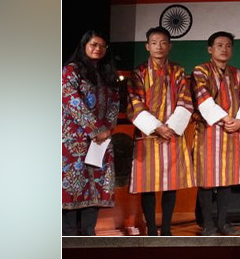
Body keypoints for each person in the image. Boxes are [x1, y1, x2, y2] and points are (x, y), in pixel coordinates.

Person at [127, 27, 195, 236]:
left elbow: (185, 100)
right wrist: (157, 126)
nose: (159, 46)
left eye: (163, 42)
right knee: (148, 184)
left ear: (170, 46)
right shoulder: (138, 72)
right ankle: (150, 228)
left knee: (170, 182)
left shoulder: (178, 71)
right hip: (147, 134)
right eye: (154, 42)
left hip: (172, 133)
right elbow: (134, 102)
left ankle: (166, 227)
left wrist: (171, 127)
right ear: (147, 46)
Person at [192, 31, 240, 236]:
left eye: (228, 45)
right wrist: (227, 119)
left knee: (227, 178)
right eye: (219, 45)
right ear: (210, 49)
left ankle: (223, 222)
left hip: (231, 132)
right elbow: (202, 97)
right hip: (208, 132)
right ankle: (208, 223)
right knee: (207, 179)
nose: (224, 49)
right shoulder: (201, 71)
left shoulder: (238, 74)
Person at [62, 30, 119, 235]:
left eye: (102, 46)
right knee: (73, 186)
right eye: (93, 44)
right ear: (84, 46)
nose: (97, 49)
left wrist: (106, 130)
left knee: (94, 184)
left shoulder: (106, 73)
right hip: (73, 140)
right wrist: (95, 128)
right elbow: (71, 100)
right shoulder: (71, 70)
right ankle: (68, 234)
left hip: (100, 141)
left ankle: (88, 232)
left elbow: (114, 103)